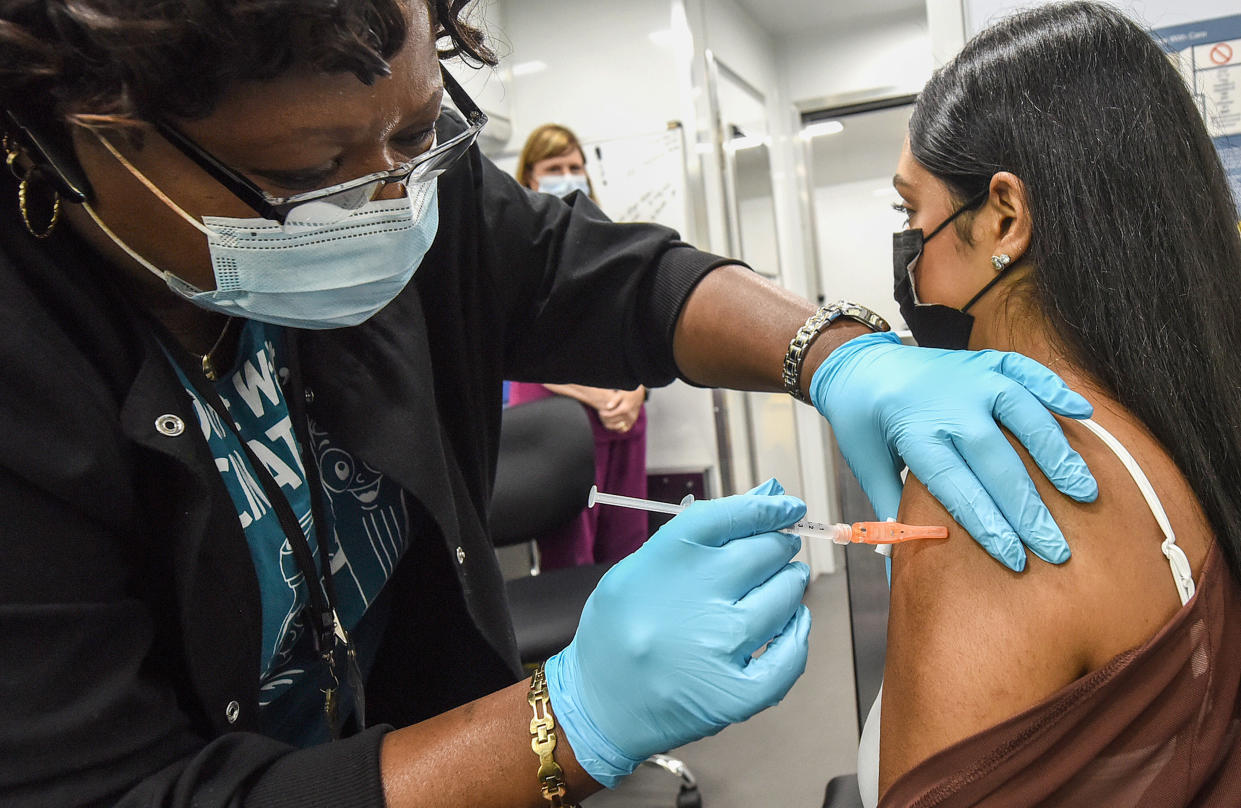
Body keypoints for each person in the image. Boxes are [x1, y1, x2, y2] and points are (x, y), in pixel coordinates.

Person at [0, 1, 1099, 806]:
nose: (393, 200)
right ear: (98, 136)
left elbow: (601, 274)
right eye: (317, 171)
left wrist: (835, 353)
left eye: (416, 135)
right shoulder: (30, 356)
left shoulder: (396, 176)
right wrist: (562, 718)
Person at [857, 3, 1241, 805]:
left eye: (909, 214)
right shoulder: (1177, 417)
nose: (908, 261)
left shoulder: (991, 480)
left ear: (1003, 215)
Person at [508, 123, 649, 570]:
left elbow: (636, 324)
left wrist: (636, 389)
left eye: (575, 166)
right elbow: (514, 342)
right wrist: (599, 395)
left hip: (622, 412)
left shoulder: (609, 234)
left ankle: (628, 640)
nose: (568, 175)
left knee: (629, 549)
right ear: (530, 175)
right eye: (554, 167)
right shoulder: (511, 242)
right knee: (572, 558)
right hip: (557, 418)